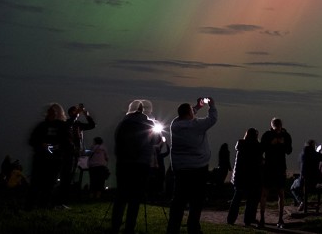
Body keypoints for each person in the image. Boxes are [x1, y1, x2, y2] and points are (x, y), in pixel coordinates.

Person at [167, 97, 218, 234]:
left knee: (178, 200)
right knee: (197, 201)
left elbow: (186, 115)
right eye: (192, 111)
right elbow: (212, 119)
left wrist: (197, 107)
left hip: (180, 169)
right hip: (198, 169)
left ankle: (173, 228)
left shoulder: (175, 125)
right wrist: (211, 105)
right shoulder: (196, 125)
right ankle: (193, 227)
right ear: (190, 114)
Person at [111, 99, 161, 234]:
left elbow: (117, 142)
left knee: (121, 196)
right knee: (135, 197)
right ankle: (129, 227)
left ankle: (115, 225)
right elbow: (157, 141)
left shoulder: (123, 123)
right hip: (141, 164)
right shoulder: (149, 124)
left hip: (123, 163)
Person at [28, 103, 73, 209]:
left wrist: (58, 147)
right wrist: (41, 144)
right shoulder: (42, 126)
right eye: (49, 111)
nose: (50, 114)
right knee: (37, 182)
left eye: (53, 111)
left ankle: (43, 205)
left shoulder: (62, 126)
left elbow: (67, 142)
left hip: (55, 159)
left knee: (49, 183)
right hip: (41, 158)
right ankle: (31, 204)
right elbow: (32, 140)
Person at [259, 117, 293, 228]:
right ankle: (273, 219)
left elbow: (289, 150)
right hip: (273, 168)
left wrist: (281, 144)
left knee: (277, 194)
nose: (277, 129)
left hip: (276, 168)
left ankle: (270, 219)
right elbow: (262, 149)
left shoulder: (282, 136)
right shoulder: (269, 135)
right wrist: (272, 143)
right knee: (273, 194)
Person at [227, 127, 263, 226]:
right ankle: (248, 220)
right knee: (251, 200)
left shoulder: (240, 145)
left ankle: (231, 219)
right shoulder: (257, 147)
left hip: (239, 177)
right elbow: (258, 162)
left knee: (236, 199)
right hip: (252, 177)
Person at [298, 139, 322, 210]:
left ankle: (301, 201)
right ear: (314, 146)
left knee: (293, 188)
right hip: (314, 182)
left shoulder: (302, 154)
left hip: (302, 181)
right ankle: (303, 202)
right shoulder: (315, 154)